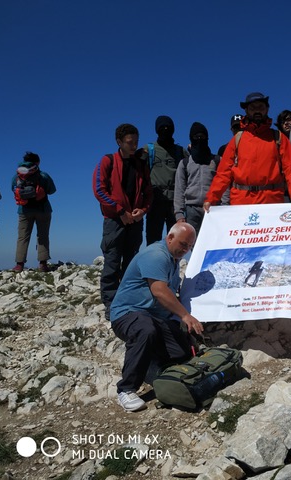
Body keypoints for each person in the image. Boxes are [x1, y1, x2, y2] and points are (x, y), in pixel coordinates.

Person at [109, 222, 204, 412]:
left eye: (189, 247)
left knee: (182, 351)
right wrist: (185, 315)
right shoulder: (156, 255)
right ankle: (126, 389)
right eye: (183, 245)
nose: (185, 250)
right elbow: (159, 290)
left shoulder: (173, 259)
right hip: (127, 314)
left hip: (153, 316)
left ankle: (148, 362)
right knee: (145, 330)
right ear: (170, 238)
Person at [93, 123, 153, 318]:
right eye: (130, 142)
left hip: (134, 220)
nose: (134, 145)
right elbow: (99, 190)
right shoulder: (107, 161)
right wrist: (120, 211)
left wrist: (143, 210)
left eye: (136, 141)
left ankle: (127, 300)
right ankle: (111, 304)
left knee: (130, 262)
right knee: (112, 262)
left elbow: (148, 192)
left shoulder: (140, 164)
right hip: (114, 220)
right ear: (119, 142)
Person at [204, 92, 291, 209]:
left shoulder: (278, 137)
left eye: (260, 107)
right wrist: (212, 198)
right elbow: (223, 173)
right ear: (246, 111)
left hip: (272, 201)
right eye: (252, 108)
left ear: (267, 109)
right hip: (241, 202)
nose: (257, 111)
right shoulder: (237, 139)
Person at [11, 152, 57, 272]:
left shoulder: (17, 176)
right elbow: (52, 190)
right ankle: (43, 264)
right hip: (43, 209)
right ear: (38, 162)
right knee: (42, 236)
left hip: (24, 210)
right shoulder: (43, 175)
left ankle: (19, 265)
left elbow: (13, 189)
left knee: (22, 237)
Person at [144, 116, 186, 245]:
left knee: (175, 240)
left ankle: (173, 265)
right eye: (161, 128)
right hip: (155, 201)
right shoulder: (149, 150)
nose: (165, 130)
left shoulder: (181, 151)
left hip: (175, 203)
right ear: (157, 130)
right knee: (153, 239)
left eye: (168, 128)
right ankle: (151, 264)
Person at [174, 122, 220, 236]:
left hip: (213, 209)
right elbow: (179, 190)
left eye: (202, 137)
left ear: (207, 138)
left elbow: (224, 185)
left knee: (212, 242)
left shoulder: (217, 160)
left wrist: (225, 207)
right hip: (191, 210)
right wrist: (179, 215)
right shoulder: (184, 163)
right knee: (192, 245)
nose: (199, 139)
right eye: (196, 137)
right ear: (191, 139)